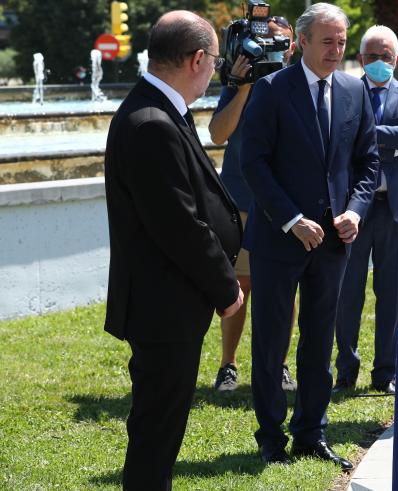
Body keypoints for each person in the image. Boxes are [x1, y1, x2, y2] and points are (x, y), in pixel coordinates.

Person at [103, 11, 243, 489]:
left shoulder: (159, 111)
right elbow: (179, 225)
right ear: (197, 59)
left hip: (171, 301)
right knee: (156, 433)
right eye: (215, 62)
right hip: (163, 306)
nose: (214, 72)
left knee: (161, 429)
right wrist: (226, 288)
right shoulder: (151, 123)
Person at [240, 2, 379, 467]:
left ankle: (311, 433)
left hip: (335, 241)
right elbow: (253, 163)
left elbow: (368, 162)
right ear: (302, 42)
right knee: (272, 340)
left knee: (320, 340)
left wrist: (356, 212)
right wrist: (291, 219)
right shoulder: (271, 90)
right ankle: (270, 435)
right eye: (328, 42)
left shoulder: (355, 90)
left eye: (342, 42)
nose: (336, 51)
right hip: (280, 239)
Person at [334, 25, 398, 396]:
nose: (378, 63)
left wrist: (367, 130)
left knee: (391, 291)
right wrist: (392, 131)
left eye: (385, 57)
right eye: (371, 56)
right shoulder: (345, 92)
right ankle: (345, 370)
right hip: (354, 209)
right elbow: (340, 139)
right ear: (360, 59)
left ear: (397, 60)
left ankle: (385, 371)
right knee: (348, 291)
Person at [208, 15, 297, 393]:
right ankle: (228, 365)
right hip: (243, 199)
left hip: (289, 204)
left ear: (294, 45)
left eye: (282, 42)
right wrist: (242, 87)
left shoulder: (301, 83)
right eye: (268, 41)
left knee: (283, 288)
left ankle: (278, 364)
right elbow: (217, 135)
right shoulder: (239, 80)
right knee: (240, 283)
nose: (275, 48)